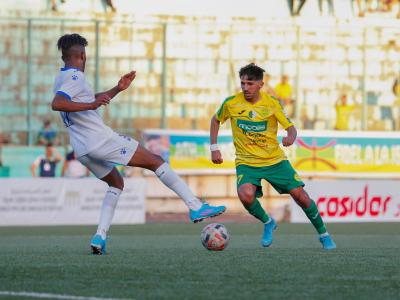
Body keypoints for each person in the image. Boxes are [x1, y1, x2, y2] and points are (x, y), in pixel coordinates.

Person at [51, 33, 225, 255]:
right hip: (100, 140)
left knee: (116, 183)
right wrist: (93, 103)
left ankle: (100, 237)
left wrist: (116, 89)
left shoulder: (62, 77)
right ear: (82, 55)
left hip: (83, 148)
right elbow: (58, 104)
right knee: (156, 161)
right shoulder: (75, 77)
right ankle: (195, 206)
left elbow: (81, 101)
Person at [209, 63, 336, 250]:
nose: (245, 88)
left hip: (274, 160)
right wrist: (214, 147)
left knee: (300, 196)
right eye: (242, 83)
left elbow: (291, 128)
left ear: (261, 84)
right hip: (247, 161)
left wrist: (290, 137)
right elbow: (216, 120)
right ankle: (268, 222)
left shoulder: (272, 104)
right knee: (245, 195)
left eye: (250, 83)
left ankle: (324, 234)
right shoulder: (231, 103)